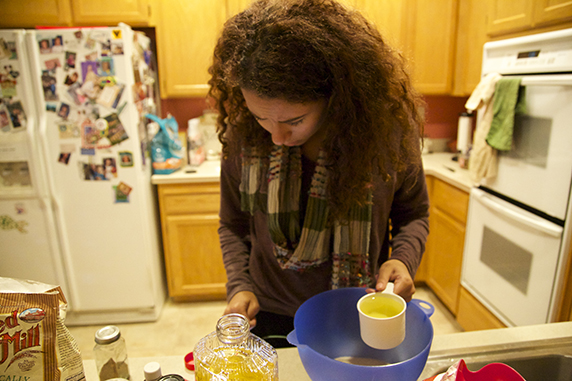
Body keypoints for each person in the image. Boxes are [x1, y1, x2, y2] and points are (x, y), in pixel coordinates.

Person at [209, 0, 429, 347]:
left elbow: (413, 213)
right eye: (261, 117)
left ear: (336, 97)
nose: (276, 137)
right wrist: (240, 284)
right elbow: (233, 223)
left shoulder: (387, 134)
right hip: (271, 312)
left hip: (362, 308)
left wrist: (402, 259)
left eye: (294, 121)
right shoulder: (241, 136)